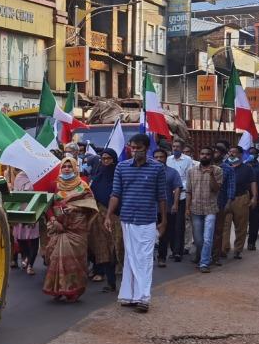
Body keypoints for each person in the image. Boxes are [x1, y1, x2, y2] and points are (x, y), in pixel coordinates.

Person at [106, 132, 167, 313]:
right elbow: (115, 194)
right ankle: (130, 295)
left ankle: (143, 298)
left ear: (147, 149)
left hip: (147, 219)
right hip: (127, 219)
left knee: (145, 258)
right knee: (131, 257)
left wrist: (163, 221)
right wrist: (108, 215)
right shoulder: (122, 167)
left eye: (138, 148)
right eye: (132, 148)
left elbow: (162, 197)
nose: (134, 152)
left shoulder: (157, 168)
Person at [41, 156, 98, 302]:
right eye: (64, 166)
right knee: (55, 258)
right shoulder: (54, 185)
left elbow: (91, 206)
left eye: (70, 166)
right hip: (57, 227)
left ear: (75, 168)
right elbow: (47, 206)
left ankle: (73, 291)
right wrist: (54, 220)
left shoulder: (83, 186)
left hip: (77, 228)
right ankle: (57, 289)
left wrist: (73, 210)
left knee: (74, 260)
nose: (67, 169)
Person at [87, 147, 121, 292]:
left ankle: (126, 283)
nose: (105, 161)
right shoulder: (97, 177)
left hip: (116, 218)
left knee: (116, 249)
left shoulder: (119, 177)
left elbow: (120, 196)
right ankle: (110, 282)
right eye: (103, 159)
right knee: (103, 249)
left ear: (114, 160)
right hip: (99, 218)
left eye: (108, 159)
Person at [184, 145, 222, 273]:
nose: (204, 156)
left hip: (210, 209)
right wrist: (187, 208)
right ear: (199, 155)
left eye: (207, 154)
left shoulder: (217, 171)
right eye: (202, 154)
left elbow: (216, 189)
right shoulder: (191, 171)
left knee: (207, 238)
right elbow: (188, 191)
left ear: (211, 157)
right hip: (195, 209)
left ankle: (204, 263)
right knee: (199, 240)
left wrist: (211, 175)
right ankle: (203, 256)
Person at [220, 146, 255, 261]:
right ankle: (224, 249)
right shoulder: (223, 167)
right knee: (225, 225)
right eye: (230, 152)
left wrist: (254, 197)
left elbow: (252, 183)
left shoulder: (247, 168)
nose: (231, 154)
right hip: (225, 199)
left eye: (234, 152)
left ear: (240, 155)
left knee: (241, 226)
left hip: (241, 198)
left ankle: (238, 250)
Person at [151, 147, 183, 268]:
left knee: (164, 235)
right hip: (150, 209)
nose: (158, 159)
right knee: (149, 234)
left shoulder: (172, 172)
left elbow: (177, 188)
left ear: (166, 158)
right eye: (156, 157)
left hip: (166, 208)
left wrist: (175, 204)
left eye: (161, 157)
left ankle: (161, 258)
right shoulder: (148, 172)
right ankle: (148, 258)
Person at [165, 138, 196, 259]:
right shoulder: (168, 160)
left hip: (182, 195)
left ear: (182, 149)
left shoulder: (188, 160)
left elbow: (189, 177)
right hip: (169, 195)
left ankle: (179, 251)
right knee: (170, 224)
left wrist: (178, 186)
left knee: (179, 225)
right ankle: (173, 249)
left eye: (178, 147)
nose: (175, 148)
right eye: (173, 146)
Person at [11, 168, 41, 275]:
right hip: (20, 210)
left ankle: (30, 265)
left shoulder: (39, 176)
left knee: (34, 238)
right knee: (20, 237)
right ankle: (26, 257)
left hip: (35, 210)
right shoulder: (19, 177)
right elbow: (15, 193)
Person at [211, 144, 237, 266]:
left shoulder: (228, 169)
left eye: (216, 152)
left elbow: (231, 188)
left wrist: (228, 203)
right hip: (204, 204)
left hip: (220, 203)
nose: (213, 154)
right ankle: (202, 254)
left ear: (222, 154)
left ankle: (216, 256)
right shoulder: (204, 167)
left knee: (217, 231)